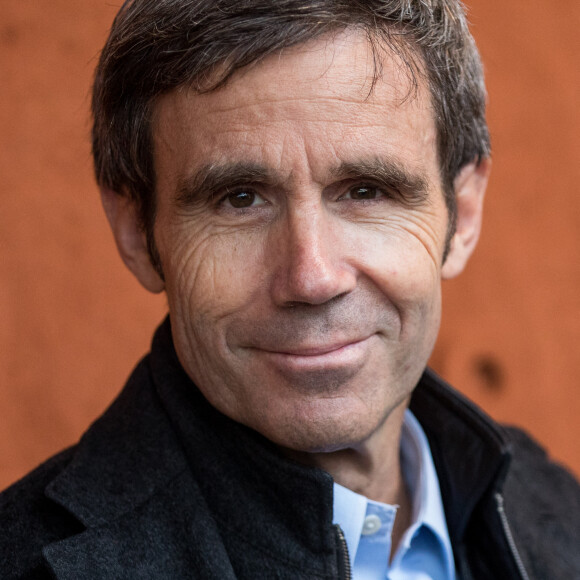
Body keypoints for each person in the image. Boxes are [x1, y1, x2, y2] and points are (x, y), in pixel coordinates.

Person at [2, 0, 579, 578]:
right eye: (240, 198)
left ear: (465, 213)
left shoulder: (558, 512)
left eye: (366, 191)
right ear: (136, 232)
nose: (312, 277)